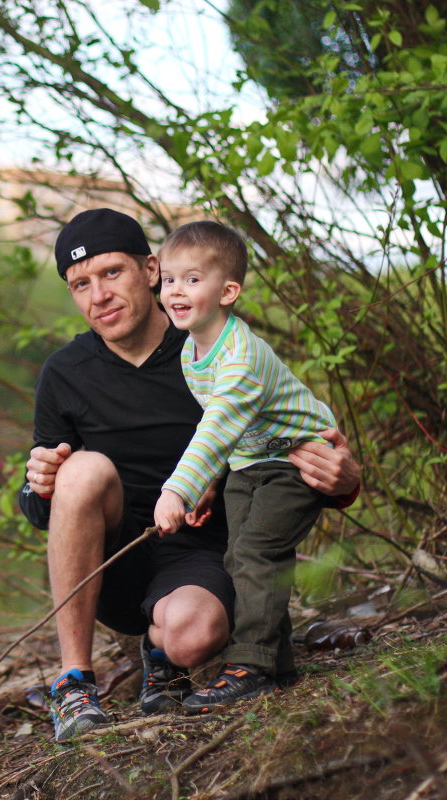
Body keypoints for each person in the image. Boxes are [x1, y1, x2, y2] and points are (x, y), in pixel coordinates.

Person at [19, 208, 360, 742]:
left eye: (112, 273)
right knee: (82, 470)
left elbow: (282, 440)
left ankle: (163, 653)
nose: (98, 296)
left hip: (201, 553)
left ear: (151, 269)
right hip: (116, 558)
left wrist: (343, 481)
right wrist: (38, 483)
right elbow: (44, 512)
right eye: (80, 285)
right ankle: (74, 683)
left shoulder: (208, 346)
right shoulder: (65, 373)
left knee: (192, 634)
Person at [152, 219, 339, 714]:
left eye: (193, 279)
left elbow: (215, 427)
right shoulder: (193, 352)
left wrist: (180, 491)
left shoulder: (240, 357)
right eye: (169, 279)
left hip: (296, 459)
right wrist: (212, 484)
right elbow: (230, 432)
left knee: (257, 552)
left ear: (228, 290)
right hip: (251, 461)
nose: (176, 290)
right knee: (238, 557)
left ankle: (249, 667)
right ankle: (277, 664)